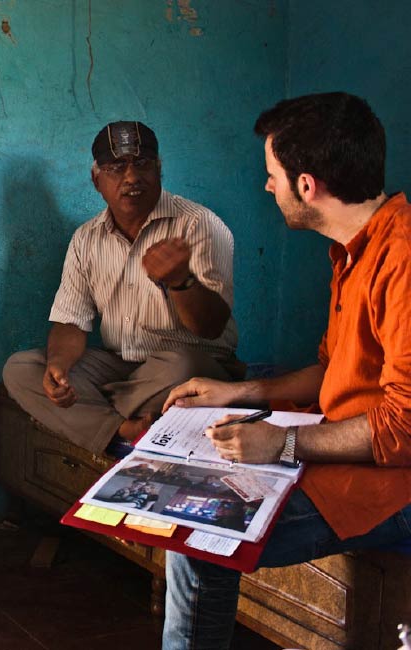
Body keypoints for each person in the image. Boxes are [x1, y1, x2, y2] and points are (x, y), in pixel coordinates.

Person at [160, 92, 411, 649]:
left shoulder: (403, 259)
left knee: (201, 535)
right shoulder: (355, 249)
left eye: (272, 174)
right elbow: (332, 370)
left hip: (395, 480)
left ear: (307, 185)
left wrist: (284, 445)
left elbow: (405, 429)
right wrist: (237, 392)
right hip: (354, 444)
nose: (266, 186)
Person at [3, 121, 243, 454]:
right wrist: (58, 366)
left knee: (181, 366)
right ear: (96, 179)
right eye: (116, 167)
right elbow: (71, 321)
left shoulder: (199, 225)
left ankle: (101, 415)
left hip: (190, 366)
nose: (131, 178)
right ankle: (121, 425)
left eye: (142, 164)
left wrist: (181, 281)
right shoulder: (86, 239)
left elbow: (210, 328)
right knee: (20, 369)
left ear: (159, 170)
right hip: (120, 366)